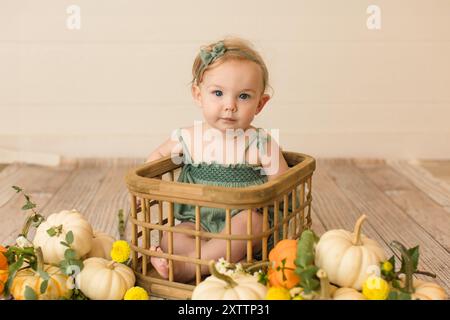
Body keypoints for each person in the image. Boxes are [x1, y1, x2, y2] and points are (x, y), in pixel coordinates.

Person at [145, 37, 290, 283]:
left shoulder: (260, 143)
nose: (230, 106)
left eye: (243, 96)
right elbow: (156, 158)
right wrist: (153, 184)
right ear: (198, 94)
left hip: (240, 222)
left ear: (260, 104)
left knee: (252, 223)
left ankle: (190, 268)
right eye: (218, 93)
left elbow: (284, 184)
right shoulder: (190, 137)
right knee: (172, 236)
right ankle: (220, 262)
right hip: (196, 221)